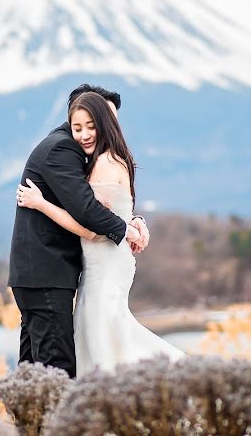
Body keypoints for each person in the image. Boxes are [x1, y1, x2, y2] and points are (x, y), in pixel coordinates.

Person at [16, 90, 185, 375]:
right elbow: (105, 214)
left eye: (91, 125)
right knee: (98, 342)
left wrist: (41, 203)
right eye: (78, 127)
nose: (83, 134)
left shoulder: (103, 162)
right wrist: (132, 224)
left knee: (100, 342)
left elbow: (90, 225)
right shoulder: (94, 156)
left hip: (102, 268)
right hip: (92, 267)